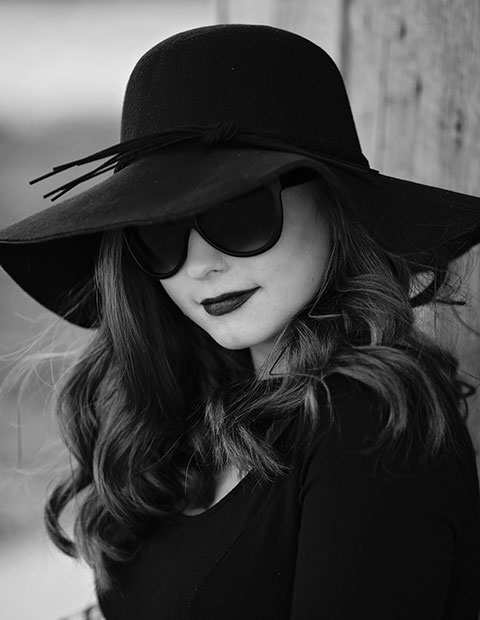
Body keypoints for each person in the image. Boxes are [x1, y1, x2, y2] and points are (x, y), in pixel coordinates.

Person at [1, 23, 480, 620]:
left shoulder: (368, 422)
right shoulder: (193, 413)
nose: (201, 265)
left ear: (334, 202)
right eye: (161, 231)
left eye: (239, 211)